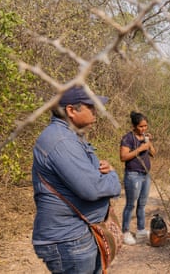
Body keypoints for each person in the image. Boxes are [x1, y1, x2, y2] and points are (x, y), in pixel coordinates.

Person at [32, 86, 121, 274]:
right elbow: (92, 188)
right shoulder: (61, 141)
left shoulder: (70, 137)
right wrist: (113, 177)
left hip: (77, 237)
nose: (96, 113)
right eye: (91, 107)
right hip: (70, 241)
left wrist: (103, 172)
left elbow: (92, 175)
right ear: (71, 110)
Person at [120, 111, 156, 245]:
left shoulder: (145, 138)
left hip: (145, 174)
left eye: (145, 126)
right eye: (141, 126)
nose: (144, 129)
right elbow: (123, 157)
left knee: (142, 204)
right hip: (133, 175)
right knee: (130, 204)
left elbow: (153, 153)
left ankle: (141, 230)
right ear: (134, 126)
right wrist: (140, 149)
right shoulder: (127, 138)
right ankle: (126, 232)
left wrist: (149, 143)